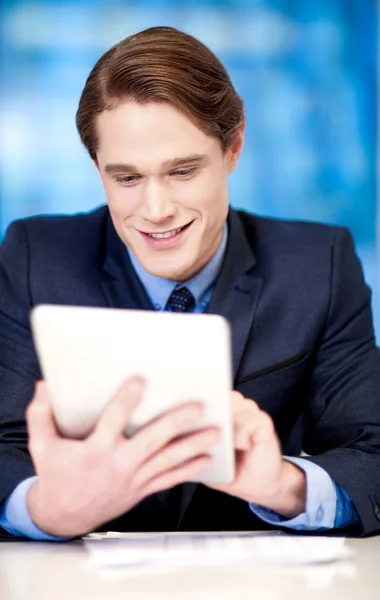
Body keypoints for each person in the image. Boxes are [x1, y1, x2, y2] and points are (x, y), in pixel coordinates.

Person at [0, 26, 379, 541]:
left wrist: (285, 485)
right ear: (97, 167)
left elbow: (372, 452)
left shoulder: (320, 265)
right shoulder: (33, 257)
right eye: (127, 178)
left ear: (234, 149)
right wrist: (45, 509)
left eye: (182, 171)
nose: (156, 212)